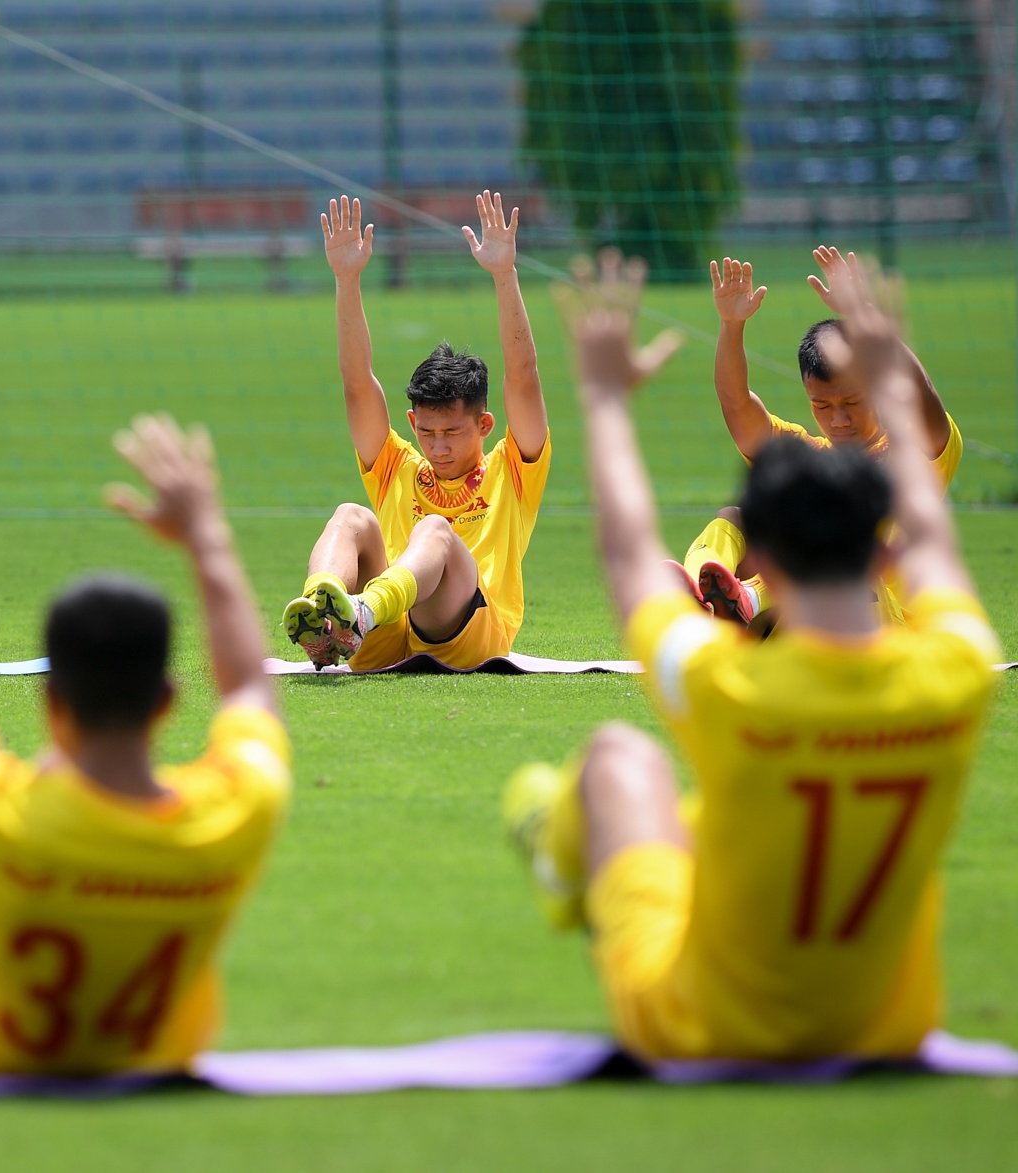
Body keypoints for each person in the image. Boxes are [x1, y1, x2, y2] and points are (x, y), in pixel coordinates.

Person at [503, 252, 1000, 1061]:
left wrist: (604, 400)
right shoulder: (956, 670)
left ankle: (561, 862)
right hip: (887, 1030)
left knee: (621, 761)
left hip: (702, 1025)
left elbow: (628, 552)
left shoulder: (727, 690)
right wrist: (885, 347)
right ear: (884, 552)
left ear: (762, 550)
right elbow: (933, 530)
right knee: (728, 818)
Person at [0, 415, 289, 1076]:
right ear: (168, 701)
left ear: (52, 702)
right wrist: (206, 535)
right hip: (154, 1053)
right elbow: (250, 692)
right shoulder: (231, 815)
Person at [282, 192, 552, 670]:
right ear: (412, 423)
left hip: (471, 635)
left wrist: (505, 275)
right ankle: (325, 619)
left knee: (435, 531)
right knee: (351, 516)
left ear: (484, 424)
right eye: (427, 432)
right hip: (386, 634)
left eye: (452, 432)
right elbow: (358, 384)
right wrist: (347, 279)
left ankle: (361, 611)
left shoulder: (512, 469)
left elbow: (524, 376)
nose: (438, 446)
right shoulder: (399, 467)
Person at [676, 247, 963, 628]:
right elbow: (736, 404)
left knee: (844, 551)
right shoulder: (804, 455)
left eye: (852, 401)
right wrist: (731, 326)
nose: (839, 419)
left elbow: (924, 397)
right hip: (806, 628)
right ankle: (698, 594)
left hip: (886, 627)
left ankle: (749, 597)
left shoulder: (909, 451)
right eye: (822, 406)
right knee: (737, 517)